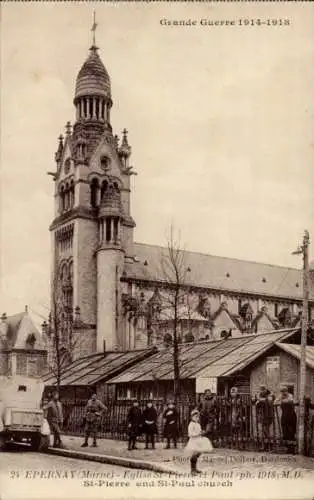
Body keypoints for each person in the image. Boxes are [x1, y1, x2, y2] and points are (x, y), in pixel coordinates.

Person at [185, 409, 213, 475]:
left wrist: (201, 432)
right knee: (194, 455)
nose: (197, 418)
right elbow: (190, 434)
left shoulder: (197, 424)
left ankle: (195, 468)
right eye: (195, 417)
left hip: (199, 440)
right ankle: (192, 470)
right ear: (192, 417)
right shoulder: (191, 424)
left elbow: (198, 431)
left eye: (198, 417)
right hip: (194, 441)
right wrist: (198, 434)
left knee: (198, 454)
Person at [277, 386, 297, 454]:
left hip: (291, 416)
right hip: (284, 416)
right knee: (285, 432)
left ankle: (292, 449)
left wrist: (282, 401)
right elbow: (275, 402)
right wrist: (280, 400)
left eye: (284, 391)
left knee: (291, 432)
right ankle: (288, 448)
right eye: (282, 392)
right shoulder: (281, 396)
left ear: (287, 391)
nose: (283, 393)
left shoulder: (290, 395)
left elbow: (291, 401)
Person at [255, 386, 274, 450]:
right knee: (263, 430)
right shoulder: (260, 395)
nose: (262, 391)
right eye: (261, 390)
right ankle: (265, 445)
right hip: (262, 415)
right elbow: (256, 403)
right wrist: (257, 400)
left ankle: (269, 445)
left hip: (268, 415)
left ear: (266, 390)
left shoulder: (270, 395)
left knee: (267, 430)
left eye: (263, 390)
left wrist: (259, 400)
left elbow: (270, 401)